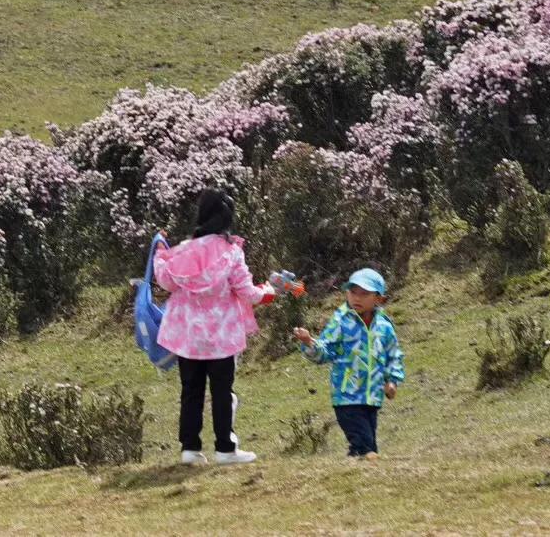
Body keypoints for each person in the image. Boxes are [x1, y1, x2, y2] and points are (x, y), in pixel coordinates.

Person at [152, 190, 272, 465]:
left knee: (191, 391)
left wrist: (160, 252)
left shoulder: (183, 250)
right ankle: (225, 448)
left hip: (188, 336)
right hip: (222, 336)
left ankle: (190, 449)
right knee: (222, 391)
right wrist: (267, 291)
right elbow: (247, 293)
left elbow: (167, 281)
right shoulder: (232, 253)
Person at [292, 267, 405, 460]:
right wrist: (309, 342)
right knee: (364, 443)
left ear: (379, 299)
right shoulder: (341, 322)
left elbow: (393, 355)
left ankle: (357, 462)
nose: (357, 298)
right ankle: (364, 455)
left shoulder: (385, 327)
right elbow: (326, 351)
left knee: (368, 442)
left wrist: (392, 380)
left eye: (364, 294)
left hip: (372, 396)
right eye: (353, 292)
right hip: (346, 395)